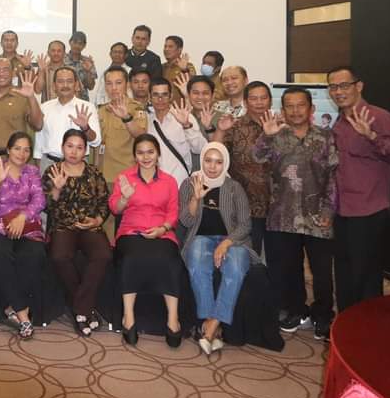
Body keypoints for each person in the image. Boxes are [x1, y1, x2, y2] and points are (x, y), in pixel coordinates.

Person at [255, 88, 338, 342]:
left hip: (317, 215)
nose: (295, 110)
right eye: (289, 106)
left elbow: (334, 176)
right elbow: (257, 157)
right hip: (283, 213)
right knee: (289, 268)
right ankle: (296, 310)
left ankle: (323, 315)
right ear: (283, 110)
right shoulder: (276, 135)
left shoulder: (325, 137)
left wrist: (329, 209)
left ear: (311, 108)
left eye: (300, 105)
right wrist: (267, 136)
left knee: (322, 271)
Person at [327, 66, 390, 313]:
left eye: (344, 85)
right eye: (333, 87)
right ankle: (346, 323)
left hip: (368, 209)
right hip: (342, 210)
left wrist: (371, 136)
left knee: (366, 276)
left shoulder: (378, 117)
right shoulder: (339, 122)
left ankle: (368, 325)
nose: (338, 92)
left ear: (359, 86)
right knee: (344, 272)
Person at [178, 142, 258, 355]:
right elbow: (185, 221)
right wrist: (196, 198)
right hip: (200, 237)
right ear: (202, 160)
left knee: (236, 268)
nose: (212, 166)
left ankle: (211, 325)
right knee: (197, 265)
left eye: (218, 162)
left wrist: (226, 243)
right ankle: (211, 324)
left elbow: (245, 224)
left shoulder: (234, 187)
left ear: (225, 164)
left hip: (233, 240)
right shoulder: (189, 183)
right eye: (208, 160)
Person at [108, 134, 185, 348]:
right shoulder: (125, 177)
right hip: (131, 232)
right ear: (135, 156)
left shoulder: (169, 181)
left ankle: (173, 319)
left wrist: (163, 229)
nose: (146, 157)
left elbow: (173, 212)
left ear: (158, 154)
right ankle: (128, 317)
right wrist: (125, 197)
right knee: (131, 258)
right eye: (140, 153)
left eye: (150, 152)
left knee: (170, 260)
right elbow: (114, 208)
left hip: (163, 232)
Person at [0, 132, 47, 339]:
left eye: (26, 150)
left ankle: (11, 307)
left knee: (35, 253)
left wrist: (22, 216)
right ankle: (23, 313)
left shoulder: (32, 172)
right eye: (17, 148)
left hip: (25, 225)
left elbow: (40, 200)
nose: (21, 154)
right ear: (8, 149)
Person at [43, 129, 111, 337]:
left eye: (79, 147)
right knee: (59, 256)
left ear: (85, 151)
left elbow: (104, 203)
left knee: (103, 255)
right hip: (63, 226)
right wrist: (56, 189)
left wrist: (97, 220)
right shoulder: (53, 171)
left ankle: (79, 308)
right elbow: (45, 206)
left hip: (89, 225)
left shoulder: (93, 173)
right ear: (62, 148)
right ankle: (85, 309)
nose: (74, 152)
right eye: (69, 146)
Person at [212, 80, 273, 254]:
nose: (259, 102)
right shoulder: (235, 126)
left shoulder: (280, 126)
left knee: (277, 257)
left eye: (263, 98)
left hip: (276, 205)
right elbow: (215, 153)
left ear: (270, 100)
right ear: (246, 102)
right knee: (249, 255)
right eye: (254, 98)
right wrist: (221, 130)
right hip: (244, 204)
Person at [96, 65, 148, 239]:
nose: (114, 88)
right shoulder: (101, 110)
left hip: (126, 176)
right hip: (103, 174)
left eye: (118, 83)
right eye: (109, 83)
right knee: (105, 224)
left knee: (127, 224)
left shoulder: (135, 108)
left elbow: (141, 135)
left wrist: (126, 117)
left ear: (127, 84)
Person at [0, 58, 44, 175]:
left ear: (12, 73)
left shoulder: (23, 96)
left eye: (5, 70)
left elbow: (38, 125)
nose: (1, 74)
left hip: (13, 161)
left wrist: (31, 97)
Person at [34, 67, 101, 171]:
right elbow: (39, 141)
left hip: (78, 166)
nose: (65, 85)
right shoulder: (44, 107)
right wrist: (39, 166)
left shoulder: (87, 107)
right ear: (54, 86)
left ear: (76, 85)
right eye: (60, 81)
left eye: (69, 81)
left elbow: (95, 141)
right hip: (49, 165)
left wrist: (85, 127)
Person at [146, 77, 205, 186]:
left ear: (171, 96)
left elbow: (200, 148)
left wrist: (186, 125)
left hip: (180, 183)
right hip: (154, 184)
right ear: (149, 97)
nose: (160, 99)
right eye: (155, 95)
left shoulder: (185, 116)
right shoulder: (146, 122)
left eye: (164, 94)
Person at [62, 31, 97, 101]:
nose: (77, 46)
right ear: (70, 42)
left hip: (82, 100)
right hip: (63, 99)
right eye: (75, 42)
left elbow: (91, 87)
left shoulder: (87, 61)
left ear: (84, 45)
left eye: (80, 43)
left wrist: (88, 72)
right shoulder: (61, 59)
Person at [162, 36, 196, 104]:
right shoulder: (162, 67)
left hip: (180, 108)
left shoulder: (188, 66)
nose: (166, 49)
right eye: (165, 46)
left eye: (170, 47)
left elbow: (193, 85)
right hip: (163, 107)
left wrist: (184, 70)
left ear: (179, 50)